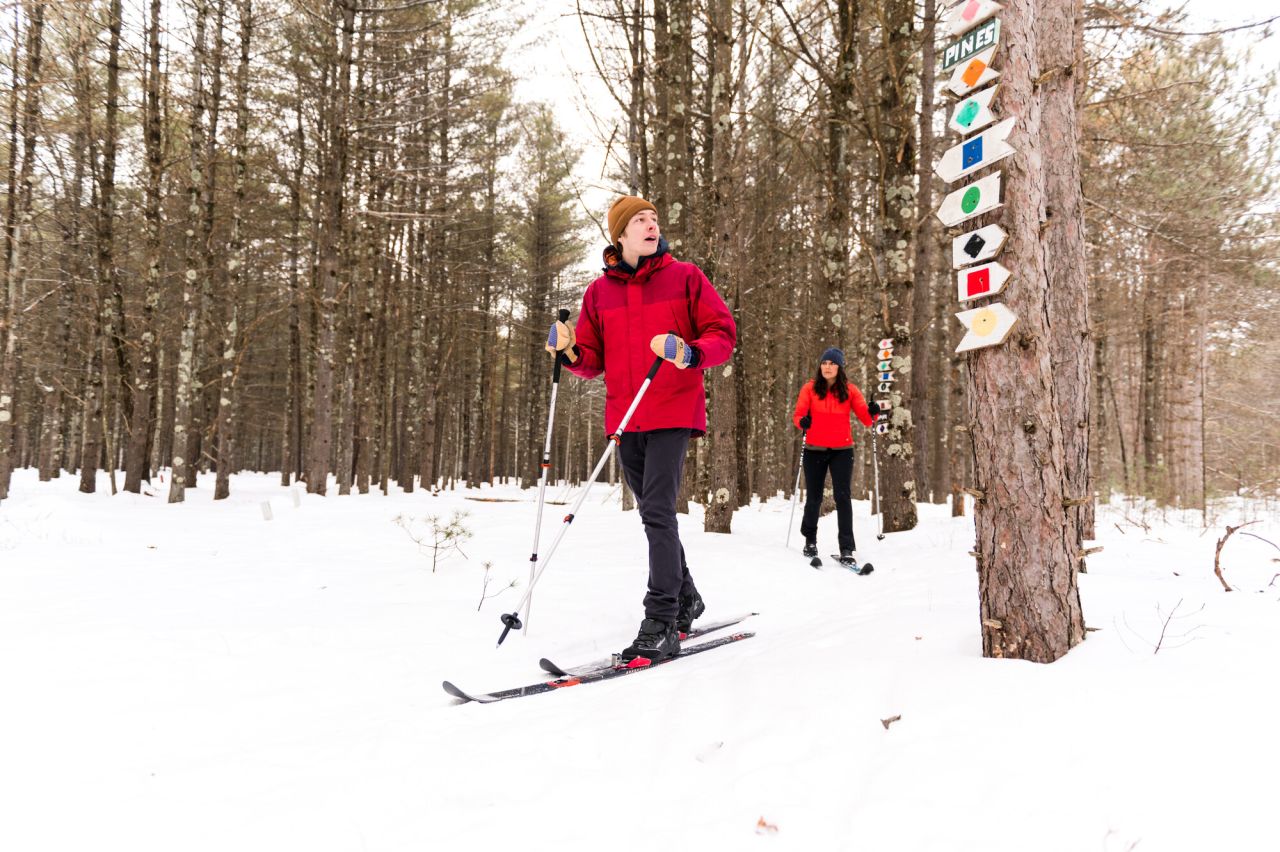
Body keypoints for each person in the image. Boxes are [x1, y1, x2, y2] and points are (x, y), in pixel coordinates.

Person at [545, 195, 736, 663]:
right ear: (621, 235)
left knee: (656, 511)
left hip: (672, 408)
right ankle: (686, 595)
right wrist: (568, 351)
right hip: (626, 416)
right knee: (655, 517)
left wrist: (688, 352)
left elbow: (722, 334)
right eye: (640, 221)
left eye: (654, 218)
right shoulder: (599, 293)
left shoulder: (685, 277)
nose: (651, 225)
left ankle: (662, 619)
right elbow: (591, 361)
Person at [792, 348, 881, 568]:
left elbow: (867, 419)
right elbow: (798, 414)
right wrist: (802, 422)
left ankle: (847, 548)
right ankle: (810, 541)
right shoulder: (809, 388)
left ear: (839, 367)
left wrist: (874, 411)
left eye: (832, 363)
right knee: (814, 497)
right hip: (814, 449)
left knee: (843, 497)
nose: (827, 367)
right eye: (824, 363)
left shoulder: (849, 390)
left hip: (842, 450)